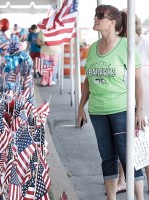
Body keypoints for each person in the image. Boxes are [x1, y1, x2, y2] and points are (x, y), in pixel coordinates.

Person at [77, 5, 146, 200]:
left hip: (121, 110)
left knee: (127, 156)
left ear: (113, 22)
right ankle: (111, 197)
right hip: (97, 111)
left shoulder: (126, 45)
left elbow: (138, 82)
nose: (96, 19)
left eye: (100, 16)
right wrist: (81, 108)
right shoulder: (92, 48)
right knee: (107, 157)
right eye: (95, 15)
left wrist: (139, 111)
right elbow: (88, 81)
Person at [116, 13, 149, 194]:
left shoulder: (145, 44)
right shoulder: (119, 46)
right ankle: (122, 180)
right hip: (124, 99)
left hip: (144, 100)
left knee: (143, 140)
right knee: (125, 140)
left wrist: (141, 107)